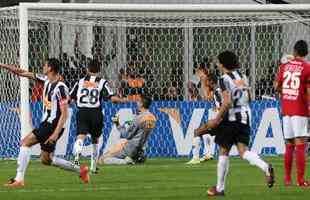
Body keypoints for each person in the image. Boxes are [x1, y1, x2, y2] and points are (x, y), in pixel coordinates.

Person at [0, 59, 90, 187]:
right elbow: (22, 72)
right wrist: (3, 65)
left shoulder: (61, 88)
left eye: (45, 65)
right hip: (48, 124)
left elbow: (64, 114)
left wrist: (55, 134)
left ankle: (19, 179)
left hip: (52, 125)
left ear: (50, 69)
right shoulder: (46, 80)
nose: (43, 66)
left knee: (25, 142)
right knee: (46, 159)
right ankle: (81, 171)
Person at [206, 51, 274, 196]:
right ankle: (265, 166)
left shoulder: (223, 79)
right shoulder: (242, 77)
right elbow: (249, 97)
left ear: (223, 64)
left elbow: (227, 102)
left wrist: (217, 118)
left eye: (218, 62)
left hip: (232, 117)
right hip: (246, 116)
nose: (218, 64)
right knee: (243, 151)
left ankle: (219, 188)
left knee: (224, 150)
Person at [70, 59, 128, 173]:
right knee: (95, 139)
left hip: (82, 112)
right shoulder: (102, 82)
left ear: (87, 69)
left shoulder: (80, 81)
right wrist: (122, 100)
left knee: (80, 136)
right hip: (96, 113)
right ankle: (93, 166)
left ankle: (76, 161)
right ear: (99, 70)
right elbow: (112, 99)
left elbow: (70, 98)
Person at [275, 40, 310, 187]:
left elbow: (276, 86)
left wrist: (288, 93)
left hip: (286, 109)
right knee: (300, 144)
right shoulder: (307, 68)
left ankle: (287, 179)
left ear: (294, 52)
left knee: (289, 144)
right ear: (306, 53)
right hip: (300, 109)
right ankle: (301, 181)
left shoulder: (284, 66)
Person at [97, 95, 156, 165]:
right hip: (142, 149)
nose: (137, 103)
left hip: (130, 148)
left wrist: (117, 124)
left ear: (141, 104)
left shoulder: (139, 118)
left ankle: (126, 161)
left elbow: (127, 135)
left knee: (102, 160)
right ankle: (137, 157)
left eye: (138, 101)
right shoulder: (153, 118)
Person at [186, 72, 218, 164]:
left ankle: (195, 158)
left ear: (211, 82)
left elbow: (207, 98)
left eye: (207, 82)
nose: (206, 83)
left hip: (221, 120)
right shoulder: (219, 91)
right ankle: (208, 154)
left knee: (197, 132)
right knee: (205, 133)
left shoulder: (217, 92)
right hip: (223, 119)